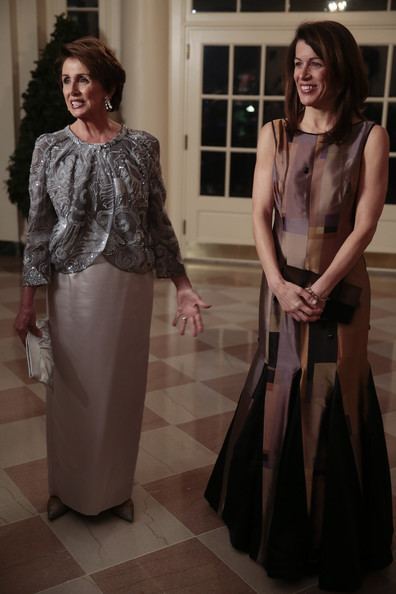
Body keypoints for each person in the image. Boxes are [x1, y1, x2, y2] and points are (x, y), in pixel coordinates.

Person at [205, 20, 393, 592]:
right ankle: (274, 523)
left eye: (314, 63)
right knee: (283, 384)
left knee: (334, 391)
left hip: (341, 291)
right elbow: (260, 214)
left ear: (340, 68)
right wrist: (281, 286)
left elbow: (364, 226)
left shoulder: (371, 137)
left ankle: (330, 535)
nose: (302, 74)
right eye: (296, 64)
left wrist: (322, 287)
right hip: (280, 290)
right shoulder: (275, 134)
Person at [15, 37, 209, 523]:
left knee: (121, 389)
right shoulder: (49, 148)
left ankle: (116, 490)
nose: (72, 89)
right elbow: (37, 230)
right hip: (72, 288)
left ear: (107, 86)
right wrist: (26, 303)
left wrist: (182, 285)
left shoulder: (142, 146)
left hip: (129, 286)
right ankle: (67, 487)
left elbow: (157, 221)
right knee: (71, 391)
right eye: (66, 80)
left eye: (82, 78)